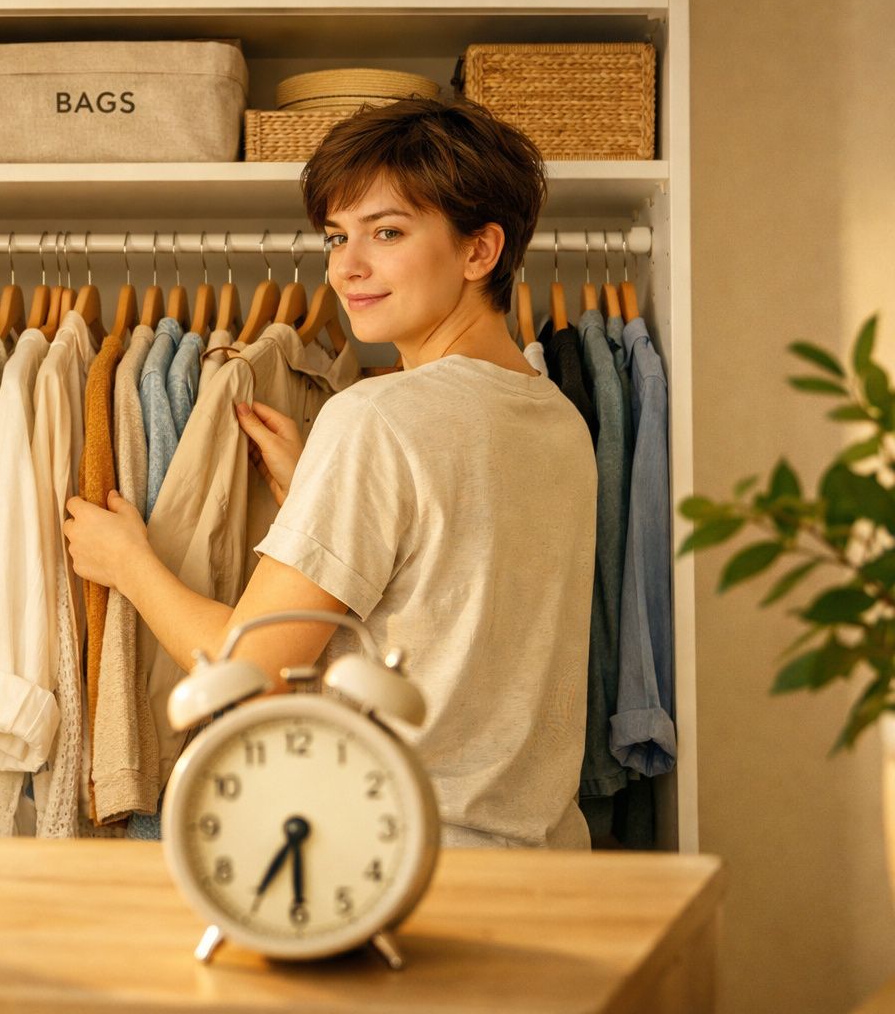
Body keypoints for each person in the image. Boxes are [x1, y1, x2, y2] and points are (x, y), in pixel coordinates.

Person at [63, 98, 597, 849]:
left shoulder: (377, 417)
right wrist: (309, 491)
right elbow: (441, 597)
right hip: (543, 860)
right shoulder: (559, 420)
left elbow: (253, 669)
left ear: (480, 252)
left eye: (387, 232)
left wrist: (131, 565)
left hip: (392, 865)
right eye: (338, 236)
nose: (347, 267)